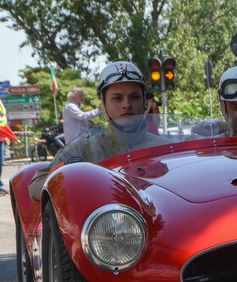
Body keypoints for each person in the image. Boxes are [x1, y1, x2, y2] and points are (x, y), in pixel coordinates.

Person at [28, 61, 169, 201]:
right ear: (103, 105)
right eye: (117, 98)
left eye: (134, 97)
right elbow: (37, 185)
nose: (126, 104)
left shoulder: (168, 149)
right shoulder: (83, 149)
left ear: (144, 102)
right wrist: (80, 184)